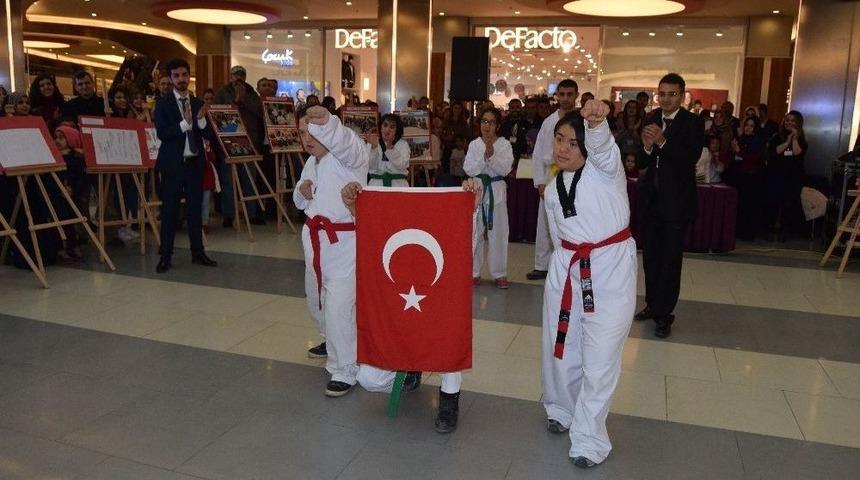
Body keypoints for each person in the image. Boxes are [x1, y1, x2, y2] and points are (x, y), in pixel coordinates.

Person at [342, 178, 485, 434]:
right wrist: (356, 207)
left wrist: (470, 207)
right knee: (367, 379)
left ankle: (449, 396)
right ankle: (410, 370)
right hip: (399, 315)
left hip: (439, 308)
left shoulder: (447, 242)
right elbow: (372, 238)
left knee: (449, 326)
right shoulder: (390, 239)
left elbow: (463, 245)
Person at [541, 100, 637, 469]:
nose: (563, 148)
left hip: (608, 268)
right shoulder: (553, 187)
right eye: (559, 139)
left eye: (572, 142)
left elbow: (604, 150)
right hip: (566, 267)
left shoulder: (605, 170)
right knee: (561, 344)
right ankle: (561, 407)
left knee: (601, 356)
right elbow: (555, 233)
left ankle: (590, 437)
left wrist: (597, 126)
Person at [294, 105, 369, 396]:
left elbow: (346, 142)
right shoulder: (312, 163)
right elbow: (299, 196)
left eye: (313, 132)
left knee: (339, 304)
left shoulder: (352, 157)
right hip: (314, 239)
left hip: (344, 243)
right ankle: (330, 339)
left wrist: (327, 122)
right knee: (316, 297)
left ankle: (345, 368)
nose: (308, 138)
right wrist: (301, 193)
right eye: (302, 133)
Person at [634, 73, 704, 339]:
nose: (665, 99)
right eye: (661, 94)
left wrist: (663, 142)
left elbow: (690, 157)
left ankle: (665, 314)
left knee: (670, 261)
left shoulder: (693, 123)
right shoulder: (651, 118)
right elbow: (641, 161)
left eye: (671, 94)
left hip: (676, 203)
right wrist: (648, 147)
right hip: (651, 201)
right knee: (651, 258)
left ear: (682, 95)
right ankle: (652, 304)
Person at [152, 58, 218, 274]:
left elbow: (208, 134)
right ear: (171, 79)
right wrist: (184, 124)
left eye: (184, 75)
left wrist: (199, 122)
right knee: (169, 211)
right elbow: (163, 133)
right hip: (172, 165)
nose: (181, 79)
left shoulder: (198, 103)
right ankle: (165, 256)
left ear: (189, 76)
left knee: (194, 211)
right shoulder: (163, 103)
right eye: (176, 76)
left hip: (194, 164)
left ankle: (198, 252)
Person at [527, 79, 578, 281]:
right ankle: (542, 264)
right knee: (545, 221)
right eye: (562, 94)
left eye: (569, 94)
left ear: (576, 95)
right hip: (551, 175)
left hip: (575, 174)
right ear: (557, 95)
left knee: (573, 219)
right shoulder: (549, 122)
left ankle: (570, 262)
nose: (565, 98)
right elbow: (539, 153)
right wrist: (540, 181)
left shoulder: (582, 120)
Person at [465, 107, 513, 289]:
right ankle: (473, 272)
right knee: (475, 232)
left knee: (499, 233)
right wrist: (483, 156)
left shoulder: (504, 144)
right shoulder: (474, 144)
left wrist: (492, 155)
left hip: (497, 189)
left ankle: (499, 273)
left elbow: (505, 169)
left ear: (497, 125)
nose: (487, 126)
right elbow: (469, 168)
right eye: (484, 121)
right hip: (477, 189)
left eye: (491, 122)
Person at [215, 65, 265, 226]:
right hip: (229, 141)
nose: (238, 78)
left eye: (241, 75)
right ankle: (228, 216)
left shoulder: (251, 93)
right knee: (228, 181)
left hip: (249, 143)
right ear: (230, 76)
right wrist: (236, 100)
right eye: (235, 75)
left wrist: (243, 99)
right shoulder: (222, 92)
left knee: (249, 179)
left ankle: (251, 213)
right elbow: (218, 113)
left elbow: (259, 112)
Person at [764, 111, 807, 242]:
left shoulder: (801, 139)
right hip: (776, 175)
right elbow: (775, 151)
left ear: (798, 123)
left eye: (793, 121)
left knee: (789, 204)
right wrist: (787, 141)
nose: (789, 123)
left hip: (793, 178)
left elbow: (797, 153)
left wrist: (793, 139)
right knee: (773, 203)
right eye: (787, 120)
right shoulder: (777, 136)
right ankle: (769, 229)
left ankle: (785, 231)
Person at [729, 118, 767, 241]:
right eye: (746, 125)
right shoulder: (739, 140)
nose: (748, 128)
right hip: (739, 177)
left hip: (752, 178)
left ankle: (748, 233)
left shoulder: (758, 142)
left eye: (751, 126)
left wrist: (739, 152)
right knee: (739, 205)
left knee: (749, 206)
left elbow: (755, 159)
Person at [366, 113, 410, 187]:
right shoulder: (373, 141)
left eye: (392, 127)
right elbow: (370, 166)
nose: (387, 129)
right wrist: (374, 148)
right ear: (380, 127)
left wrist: (390, 148)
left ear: (397, 130)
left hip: (398, 185)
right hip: (376, 185)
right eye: (385, 125)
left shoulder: (403, 144)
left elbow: (402, 165)